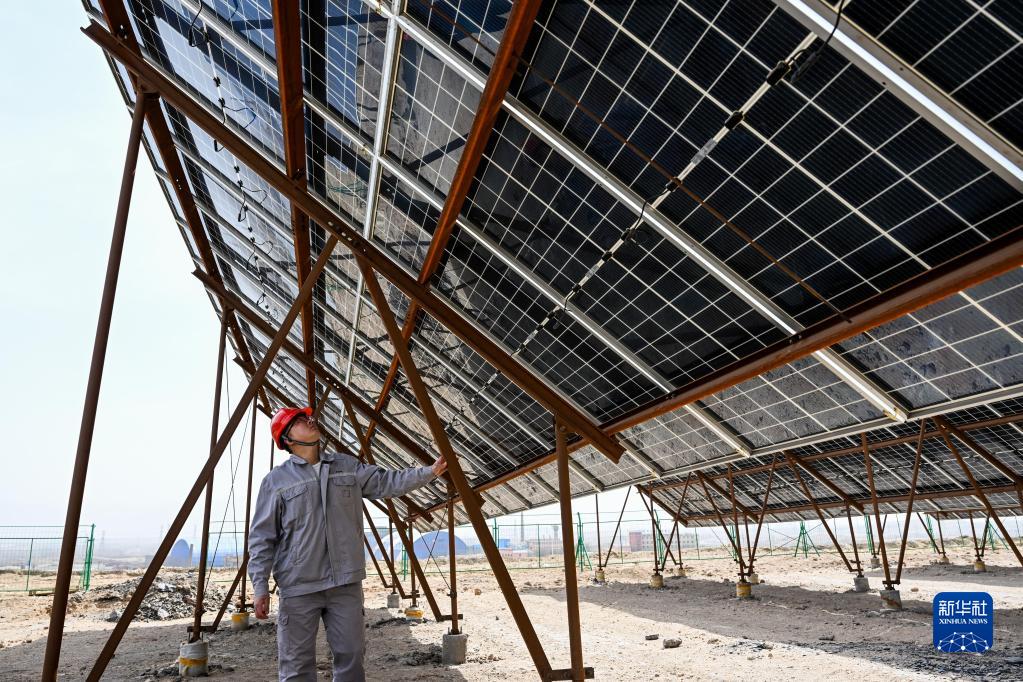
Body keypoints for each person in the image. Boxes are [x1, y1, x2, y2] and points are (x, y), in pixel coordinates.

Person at [249, 406, 446, 681]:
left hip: (344, 584)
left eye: (307, 416)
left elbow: (386, 482)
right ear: (287, 438)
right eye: (299, 420)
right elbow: (262, 538)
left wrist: (428, 472)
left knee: (352, 658)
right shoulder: (276, 482)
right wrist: (260, 587)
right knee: (296, 666)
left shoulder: (346, 466)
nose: (310, 420)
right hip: (299, 586)